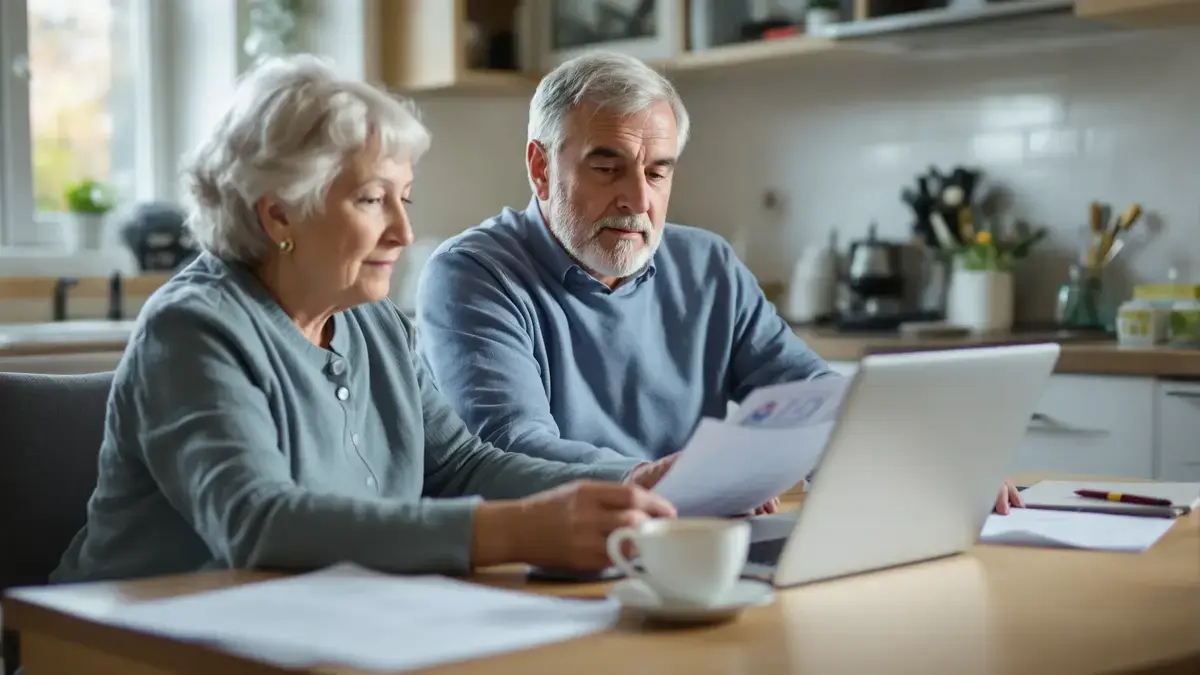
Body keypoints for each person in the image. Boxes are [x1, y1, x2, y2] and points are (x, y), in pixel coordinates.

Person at [50, 55, 680, 585]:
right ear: (279, 215)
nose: (404, 231)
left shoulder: (374, 320)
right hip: (124, 650)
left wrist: (630, 479)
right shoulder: (192, 329)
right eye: (372, 200)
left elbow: (459, 466)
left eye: (403, 199)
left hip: (317, 633)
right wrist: (512, 531)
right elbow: (260, 522)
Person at [415, 52, 1024, 515]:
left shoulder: (707, 264)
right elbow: (510, 445)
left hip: (695, 547)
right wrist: (658, 479)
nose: (637, 199)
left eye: (658, 172)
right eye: (607, 168)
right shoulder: (471, 273)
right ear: (542, 167)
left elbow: (807, 391)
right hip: (554, 558)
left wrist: (920, 451)